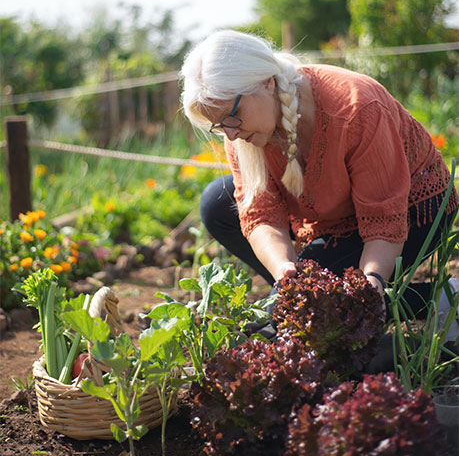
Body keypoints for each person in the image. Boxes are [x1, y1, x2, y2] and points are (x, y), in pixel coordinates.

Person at [180, 29, 458, 325]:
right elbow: (261, 215)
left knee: (313, 314)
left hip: (412, 211)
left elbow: (383, 216)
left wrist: (371, 280)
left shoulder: (356, 107)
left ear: (266, 84)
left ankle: (441, 299)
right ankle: (319, 301)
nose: (231, 133)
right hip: (336, 216)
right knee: (217, 203)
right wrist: (284, 270)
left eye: (231, 117)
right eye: (219, 126)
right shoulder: (237, 128)